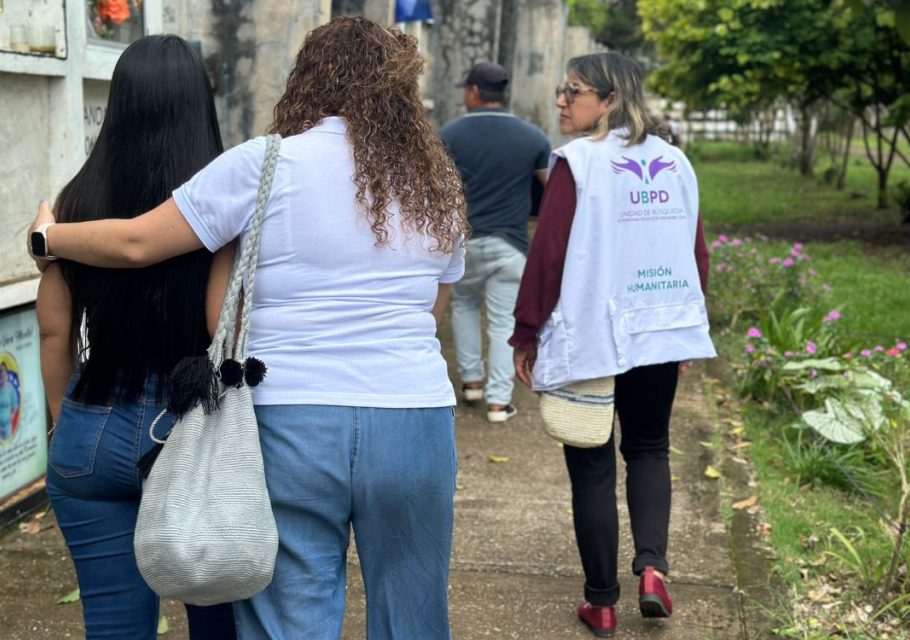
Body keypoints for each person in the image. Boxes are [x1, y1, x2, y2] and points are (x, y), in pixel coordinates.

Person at [30, 17, 467, 640]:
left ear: (309, 80)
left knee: (291, 614)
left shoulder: (264, 166)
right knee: (414, 614)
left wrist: (50, 237)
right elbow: (432, 309)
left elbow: (136, 242)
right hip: (414, 416)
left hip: (292, 416)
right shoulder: (437, 183)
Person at [509, 52, 715, 638]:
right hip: (658, 329)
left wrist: (526, 332)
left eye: (572, 91)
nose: (560, 101)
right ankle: (653, 569)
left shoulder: (578, 164)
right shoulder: (675, 162)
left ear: (609, 99)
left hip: (592, 332)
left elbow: (547, 257)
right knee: (649, 450)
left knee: (591, 465)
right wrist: (683, 329)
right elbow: (694, 253)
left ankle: (601, 603)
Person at [36, 35, 235, 639]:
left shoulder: (73, 204)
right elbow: (216, 324)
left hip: (91, 425)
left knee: (114, 627)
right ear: (200, 105)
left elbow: (53, 328)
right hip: (195, 430)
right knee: (219, 622)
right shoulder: (223, 200)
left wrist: (60, 420)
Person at [439, 62, 550, 423]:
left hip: (463, 243)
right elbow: (552, 189)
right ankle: (498, 404)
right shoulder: (533, 137)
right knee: (504, 323)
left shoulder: (448, 135)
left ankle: (471, 382)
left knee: (465, 307)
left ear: (473, 92)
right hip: (510, 245)